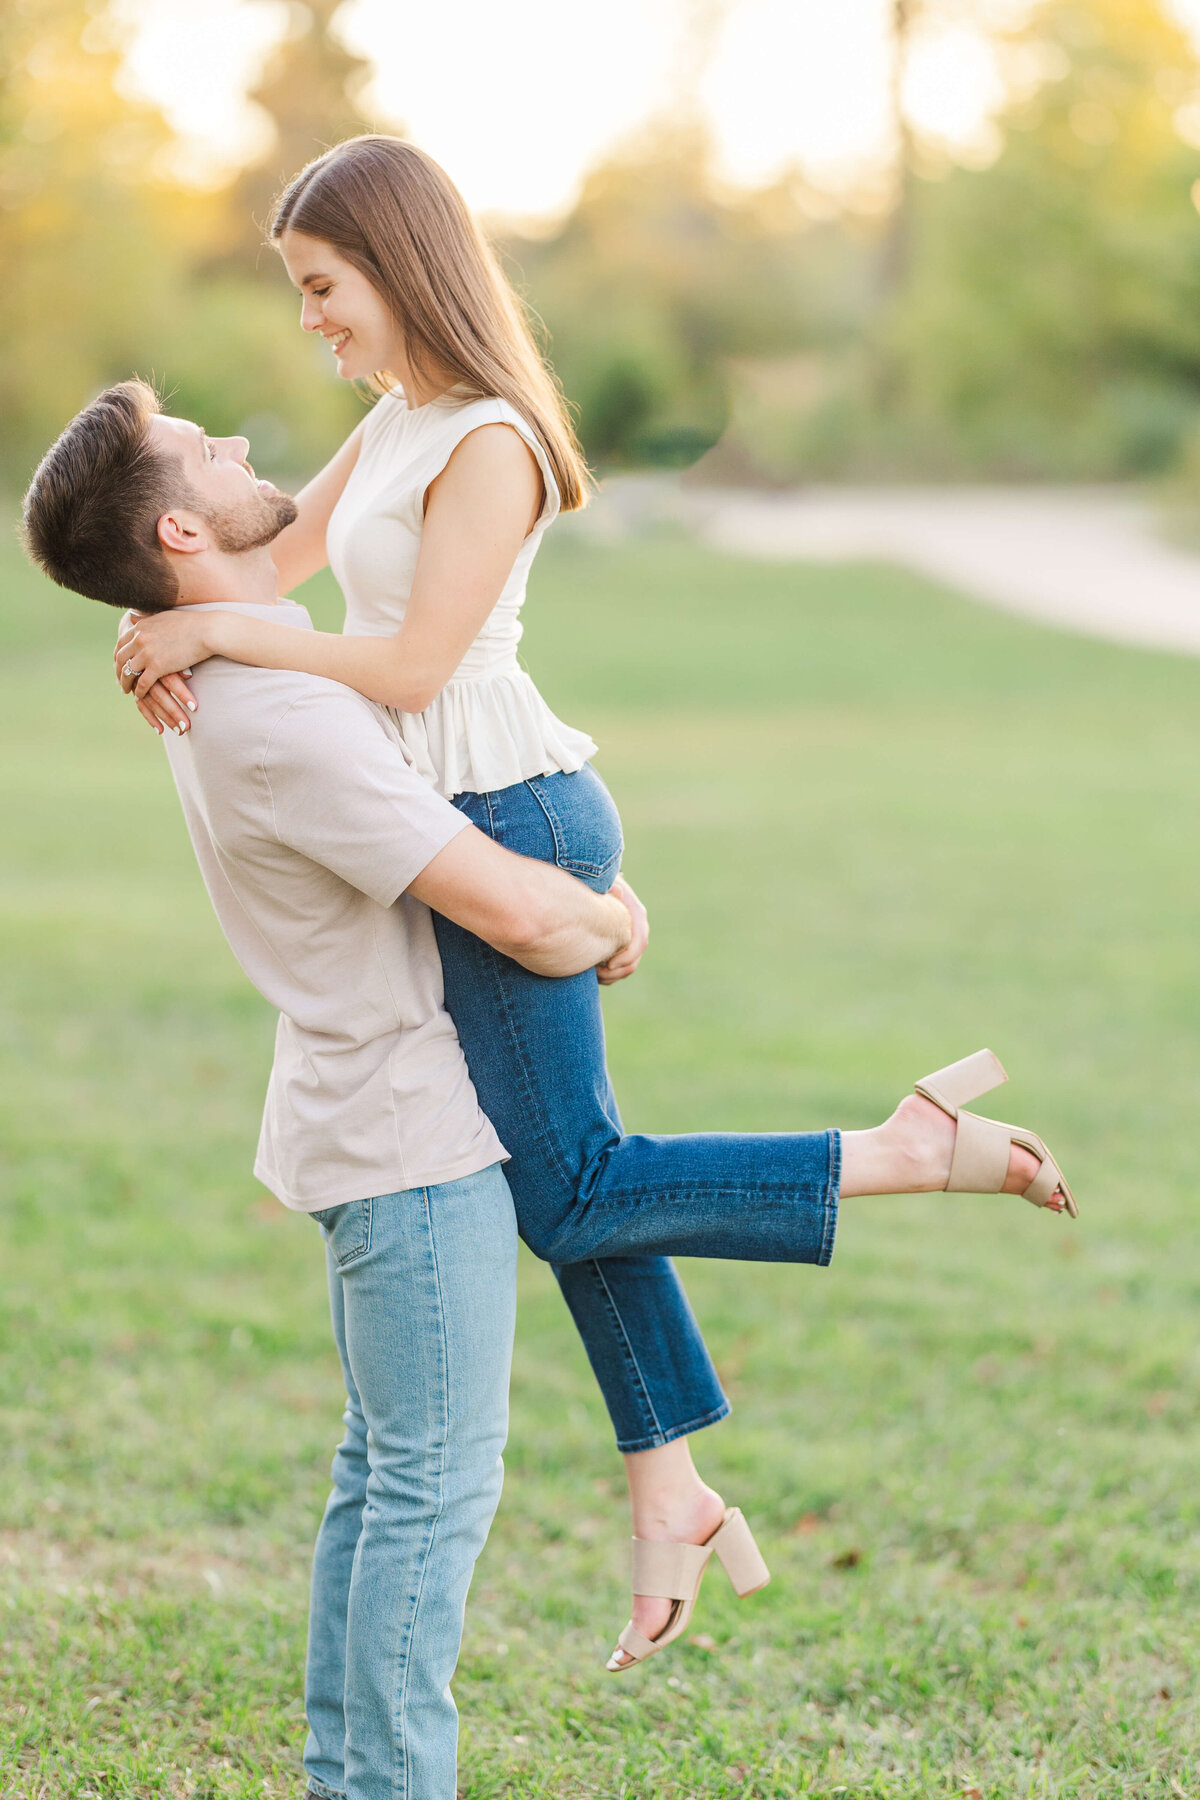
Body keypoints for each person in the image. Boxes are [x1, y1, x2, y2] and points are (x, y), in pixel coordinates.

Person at [105, 136, 1078, 1676]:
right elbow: (272, 557)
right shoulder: (397, 417)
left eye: (322, 286)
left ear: (399, 259)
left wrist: (228, 649)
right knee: (574, 1175)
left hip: (508, 808)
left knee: (571, 1185)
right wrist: (175, 622)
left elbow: (417, 667)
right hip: (436, 810)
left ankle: (897, 1157)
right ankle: (670, 1482)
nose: (310, 321)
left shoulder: (489, 435)